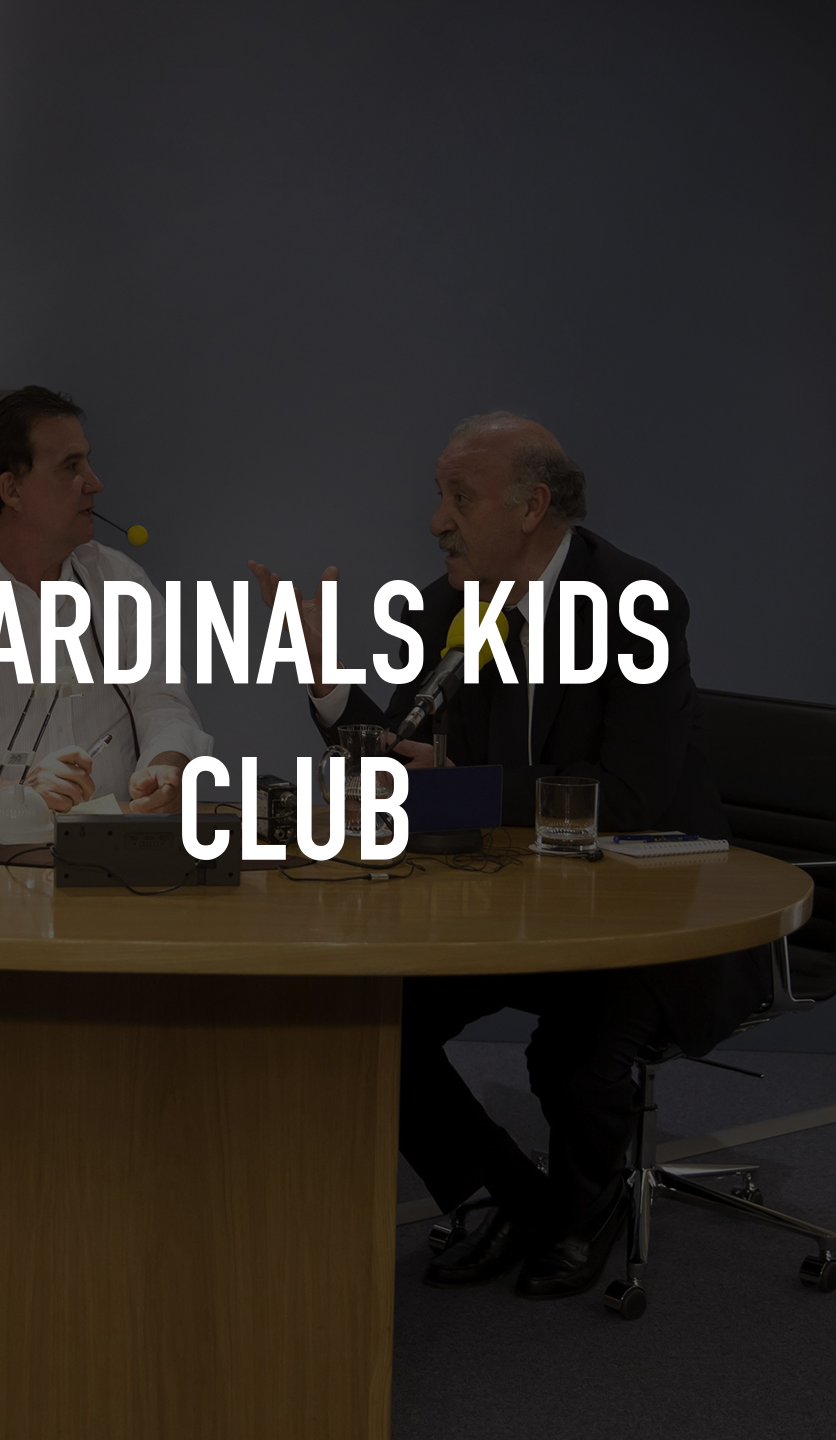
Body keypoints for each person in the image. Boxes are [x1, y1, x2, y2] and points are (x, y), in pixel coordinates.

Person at [249, 410, 770, 1300]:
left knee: (571, 1053)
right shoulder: (448, 606)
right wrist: (326, 679)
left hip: (648, 913)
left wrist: (466, 784)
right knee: (373, 1019)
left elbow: (624, 798)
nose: (436, 522)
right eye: (438, 497)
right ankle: (505, 1194)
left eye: (459, 499)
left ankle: (583, 1212)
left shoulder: (636, 604)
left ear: (531, 508)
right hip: (514, 905)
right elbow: (405, 762)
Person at [0, 386, 210, 814]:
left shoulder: (122, 580)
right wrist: (10, 793)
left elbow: (165, 707)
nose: (95, 483)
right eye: (71, 466)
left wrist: (167, 766)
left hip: (117, 840)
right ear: (11, 490)